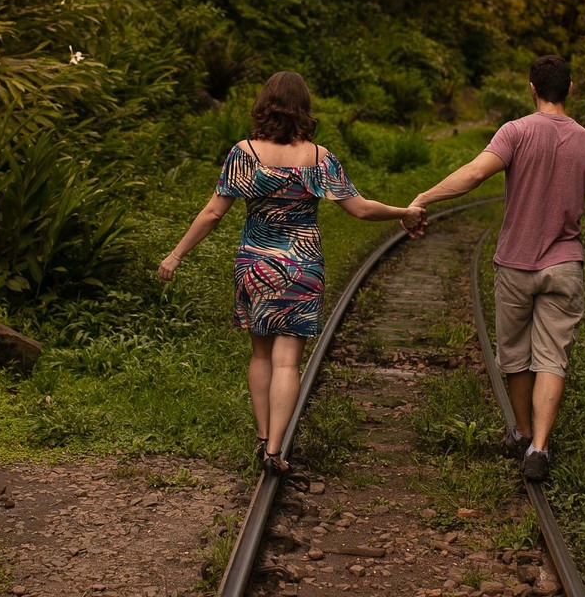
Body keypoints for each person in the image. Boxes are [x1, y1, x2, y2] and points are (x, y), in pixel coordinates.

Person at [158, 71, 427, 475]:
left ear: (264, 105)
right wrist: (404, 212)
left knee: (261, 355)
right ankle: (276, 452)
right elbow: (360, 208)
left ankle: (263, 436)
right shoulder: (320, 158)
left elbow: (214, 212)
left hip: (255, 264)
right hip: (302, 267)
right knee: (288, 363)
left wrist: (176, 255)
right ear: (304, 109)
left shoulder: (243, 154)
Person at [408, 54, 585, 481]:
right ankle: (541, 447)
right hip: (565, 265)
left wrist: (424, 197)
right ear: (569, 89)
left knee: (515, 355)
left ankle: (523, 433)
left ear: (532, 88)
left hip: (514, 263)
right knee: (553, 356)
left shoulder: (515, 132)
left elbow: (474, 175)